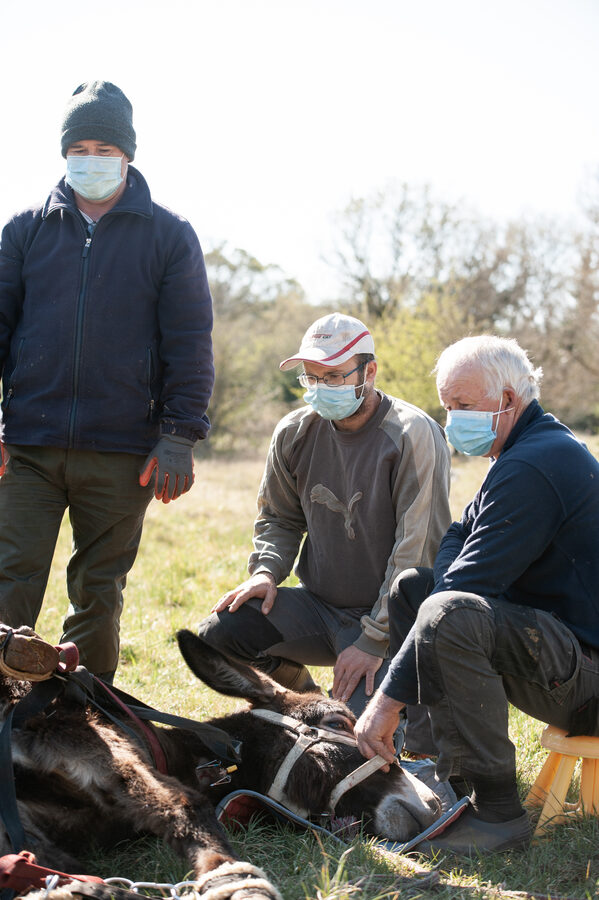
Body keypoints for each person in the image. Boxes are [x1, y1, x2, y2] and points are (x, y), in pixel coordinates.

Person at [0, 81, 214, 680]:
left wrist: (179, 434)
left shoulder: (170, 235)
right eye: (79, 148)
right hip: (28, 448)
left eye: (104, 149)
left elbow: (190, 340)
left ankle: (87, 714)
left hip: (123, 453)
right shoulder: (24, 230)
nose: (90, 160)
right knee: (9, 582)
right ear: (64, 152)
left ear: (127, 155)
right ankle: (4, 712)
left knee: (97, 593)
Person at [355, 334, 599, 854]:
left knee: (447, 611)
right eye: (447, 407)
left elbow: (462, 588)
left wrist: (385, 703)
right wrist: (447, 585)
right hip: (563, 653)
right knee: (415, 589)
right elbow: (456, 536)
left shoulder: (535, 464)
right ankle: (438, 770)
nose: (452, 420)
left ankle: (496, 814)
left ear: (507, 399)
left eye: (462, 406)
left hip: (591, 682)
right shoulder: (519, 452)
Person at [196, 312, 451, 718]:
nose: (320, 388)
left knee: (355, 736)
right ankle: (301, 698)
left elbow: (415, 550)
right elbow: (279, 517)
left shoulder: (411, 434)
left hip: (390, 620)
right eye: (311, 378)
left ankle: (392, 708)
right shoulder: (294, 432)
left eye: (333, 376)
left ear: (369, 372)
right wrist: (266, 571)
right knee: (216, 636)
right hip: (319, 608)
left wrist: (373, 640)